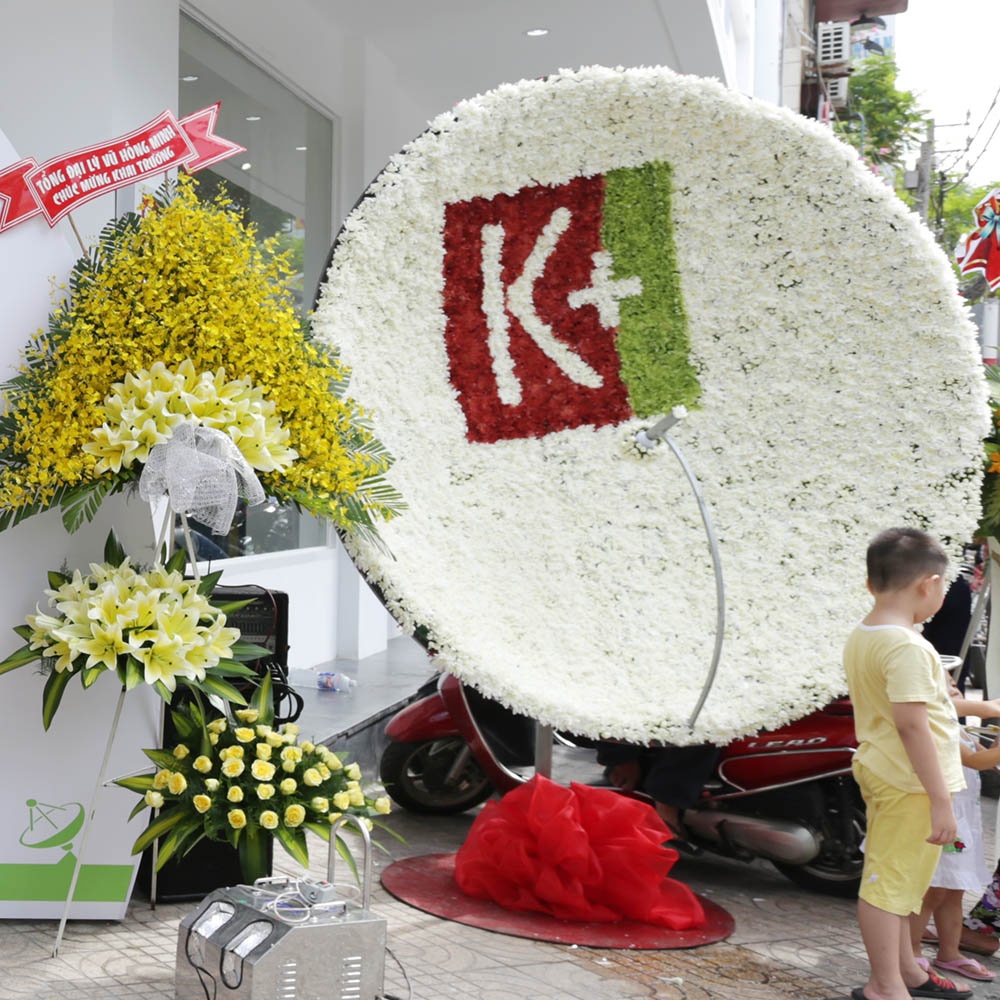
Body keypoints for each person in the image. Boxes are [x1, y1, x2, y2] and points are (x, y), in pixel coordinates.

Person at [845, 527, 970, 1000]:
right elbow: (913, 726)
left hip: (887, 771)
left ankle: (905, 973)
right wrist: (941, 801)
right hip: (910, 783)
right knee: (888, 885)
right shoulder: (907, 646)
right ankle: (885, 986)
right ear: (929, 584)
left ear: (870, 583)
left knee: (897, 882)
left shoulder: (867, 633)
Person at [909, 724, 997, 982]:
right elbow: (974, 761)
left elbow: (986, 759)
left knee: (955, 889)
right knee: (933, 889)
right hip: (945, 817)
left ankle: (950, 952)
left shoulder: (960, 729)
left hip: (965, 820)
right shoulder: (937, 723)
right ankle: (911, 952)